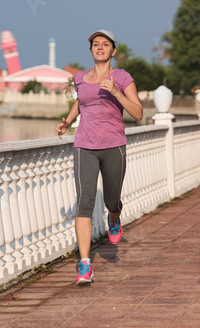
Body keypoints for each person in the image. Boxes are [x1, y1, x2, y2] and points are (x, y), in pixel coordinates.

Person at [56, 29, 143, 284]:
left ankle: (114, 219)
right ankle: (85, 264)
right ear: (91, 49)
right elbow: (81, 102)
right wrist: (67, 122)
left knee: (112, 201)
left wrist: (116, 93)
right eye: (96, 44)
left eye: (105, 44)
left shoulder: (123, 77)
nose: (100, 47)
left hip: (114, 144)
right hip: (84, 145)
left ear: (113, 51)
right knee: (84, 201)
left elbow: (138, 113)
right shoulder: (80, 78)